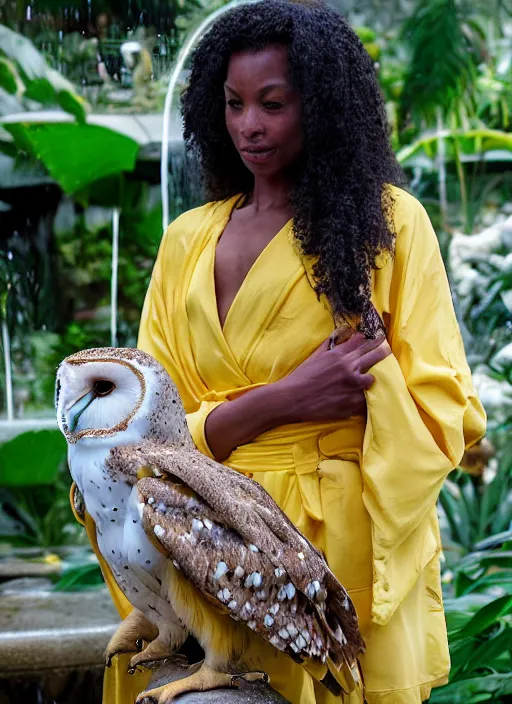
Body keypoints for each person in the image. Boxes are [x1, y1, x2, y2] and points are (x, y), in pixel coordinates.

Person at [76, 1, 486, 702]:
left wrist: (373, 384)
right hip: (204, 544)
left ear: (321, 106)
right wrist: (286, 399)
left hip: (328, 552)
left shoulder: (388, 227)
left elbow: (446, 413)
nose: (249, 126)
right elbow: (136, 428)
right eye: (233, 104)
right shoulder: (186, 242)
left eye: (273, 103)